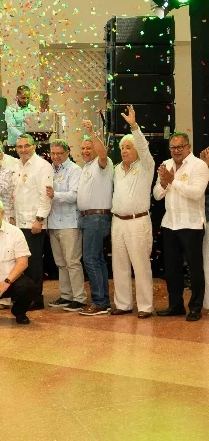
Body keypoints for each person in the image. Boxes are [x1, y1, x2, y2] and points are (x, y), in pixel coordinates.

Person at [153, 132, 209, 322]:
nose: (176, 151)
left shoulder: (199, 165)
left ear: (188, 147)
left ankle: (195, 307)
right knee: (172, 268)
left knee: (194, 268)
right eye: (173, 147)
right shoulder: (166, 164)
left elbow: (197, 193)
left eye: (180, 147)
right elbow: (157, 195)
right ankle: (175, 305)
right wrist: (163, 183)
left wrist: (173, 181)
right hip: (170, 223)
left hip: (191, 224)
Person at [109, 106, 156, 318]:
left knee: (141, 265)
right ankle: (123, 304)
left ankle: (145, 306)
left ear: (136, 149)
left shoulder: (146, 165)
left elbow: (144, 149)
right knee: (119, 264)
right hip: (118, 221)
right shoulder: (117, 169)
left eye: (129, 147)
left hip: (138, 222)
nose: (124, 150)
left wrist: (134, 127)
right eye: (122, 148)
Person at [76, 119, 115, 316]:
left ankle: (100, 302)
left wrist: (91, 132)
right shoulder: (86, 167)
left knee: (91, 259)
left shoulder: (103, 164)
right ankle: (103, 301)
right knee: (97, 260)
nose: (85, 151)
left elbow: (103, 153)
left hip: (97, 218)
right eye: (83, 148)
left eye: (88, 148)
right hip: (87, 219)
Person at [11, 134, 53, 310]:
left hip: (33, 223)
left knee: (34, 263)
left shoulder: (42, 166)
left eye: (26, 146)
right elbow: (15, 194)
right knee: (21, 262)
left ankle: (36, 299)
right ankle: (24, 297)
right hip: (19, 223)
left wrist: (39, 219)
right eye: (19, 147)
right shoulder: (16, 166)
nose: (23, 150)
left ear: (34, 147)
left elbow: (46, 195)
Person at [45, 139, 85, 312]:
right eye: (53, 153)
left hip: (70, 223)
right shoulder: (49, 169)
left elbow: (75, 195)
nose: (56, 156)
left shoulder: (74, 170)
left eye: (59, 153)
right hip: (53, 222)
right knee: (60, 263)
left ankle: (79, 298)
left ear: (67, 153)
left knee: (72, 262)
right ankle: (66, 295)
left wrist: (55, 195)